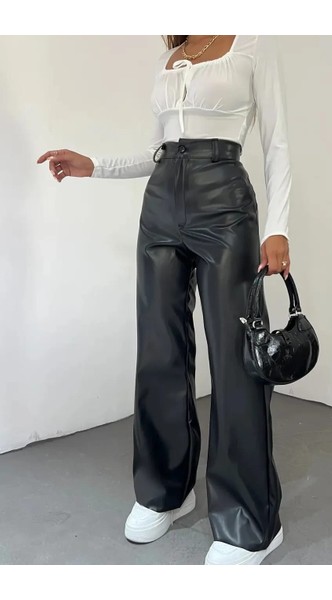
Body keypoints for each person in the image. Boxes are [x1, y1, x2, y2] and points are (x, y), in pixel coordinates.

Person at [36, 34, 292, 565]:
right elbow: (156, 152)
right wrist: (94, 165)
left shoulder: (252, 42)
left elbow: (277, 143)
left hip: (224, 206)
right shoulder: (169, 58)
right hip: (160, 210)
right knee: (160, 350)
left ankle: (251, 520)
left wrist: (278, 227)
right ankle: (165, 490)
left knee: (237, 357)